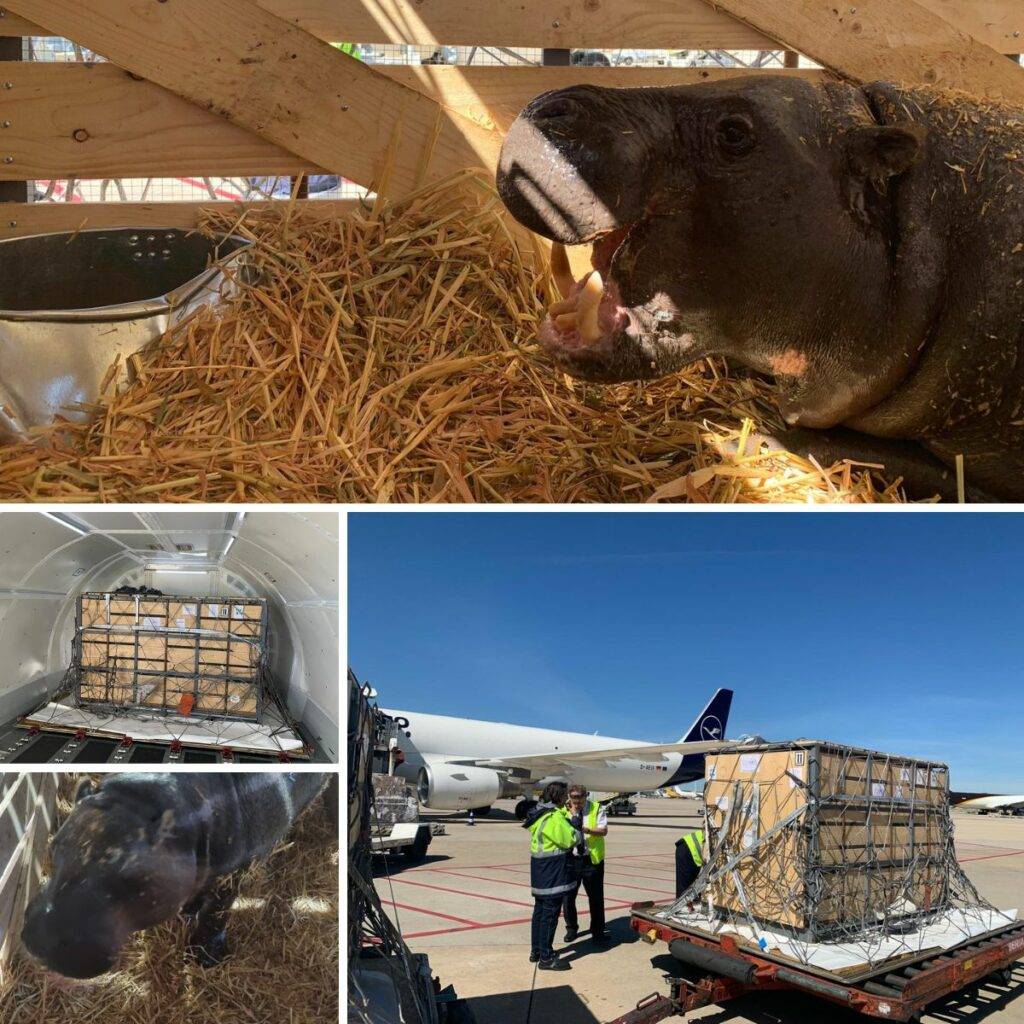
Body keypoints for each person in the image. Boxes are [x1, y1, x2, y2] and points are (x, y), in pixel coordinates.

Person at [523, 781, 581, 971]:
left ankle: (537, 951)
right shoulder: (554, 817)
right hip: (553, 872)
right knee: (550, 914)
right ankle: (546, 958)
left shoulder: (539, 814)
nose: (567, 798)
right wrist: (575, 819)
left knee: (539, 912)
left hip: (540, 871)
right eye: (564, 795)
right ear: (558, 797)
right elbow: (571, 839)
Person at [562, 785, 609, 943]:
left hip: (591, 860)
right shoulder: (564, 810)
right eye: (574, 797)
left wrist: (585, 830)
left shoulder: (596, 808)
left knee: (596, 898)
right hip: (571, 860)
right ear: (569, 796)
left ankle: (597, 931)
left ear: (586, 796)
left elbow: (603, 830)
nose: (577, 801)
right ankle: (571, 929)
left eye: (580, 797)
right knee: (568, 898)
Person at [675, 827, 705, 898]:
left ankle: (691, 904)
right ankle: (683, 907)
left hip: (692, 852)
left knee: (695, 886)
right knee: (684, 888)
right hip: (687, 849)